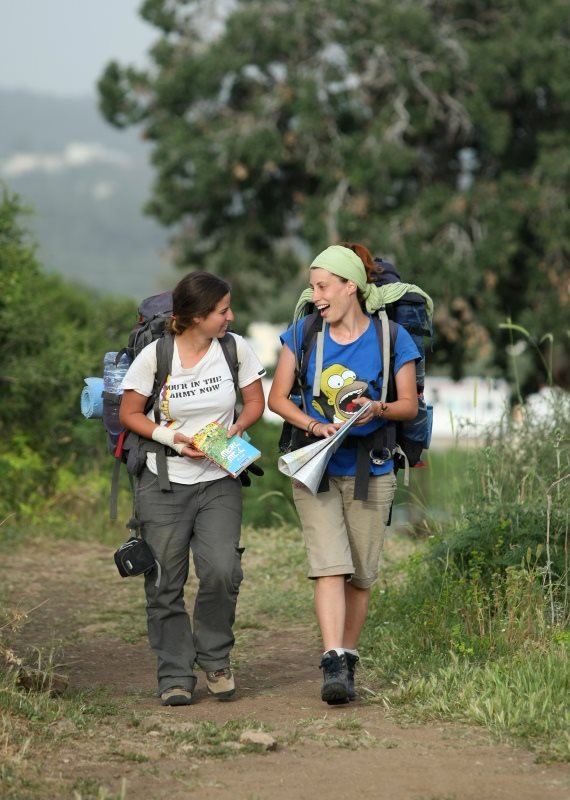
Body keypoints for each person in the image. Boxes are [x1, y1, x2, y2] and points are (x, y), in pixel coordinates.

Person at [268, 243, 420, 705]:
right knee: (329, 566)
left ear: (350, 286)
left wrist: (378, 408)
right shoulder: (303, 333)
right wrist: (314, 425)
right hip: (314, 466)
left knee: (361, 574)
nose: (315, 296)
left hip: (371, 466)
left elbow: (409, 406)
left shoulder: (393, 337)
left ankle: (348, 658)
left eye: (323, 287)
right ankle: (332, 659)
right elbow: (277, 399)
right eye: (313, 288)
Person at [120, 271, 266, 706]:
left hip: (219, 478)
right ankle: (175, 673)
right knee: (164, 581)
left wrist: (233, 431)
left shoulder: (234, 348)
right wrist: (173, 439)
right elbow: (130, 413)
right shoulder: (155, 355)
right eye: (223, 311)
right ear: (197, 316)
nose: (230, 317)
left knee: (222, 570)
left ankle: (216, 660)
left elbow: (254, 402)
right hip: (163, 479)